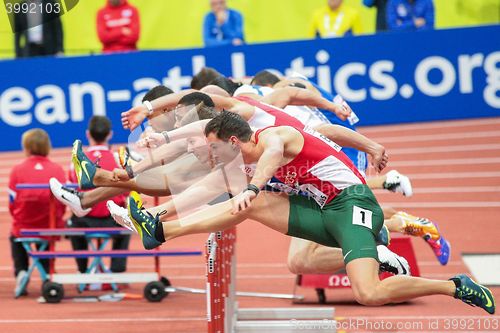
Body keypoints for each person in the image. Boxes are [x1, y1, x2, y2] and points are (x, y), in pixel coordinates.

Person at [125, 112, 495, 314]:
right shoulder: (239, 160)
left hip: (353, 205)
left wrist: (253, 188)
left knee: (368, 292)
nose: (211, 154)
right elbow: (209, 188)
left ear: (234, 141)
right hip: (321, 210)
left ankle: (455, 286)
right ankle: (159, 230)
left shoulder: (275, 136)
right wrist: (163, 208)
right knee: (248, 208)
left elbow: (271, 155)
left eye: (214, 147)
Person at [64, 115, 130, 274]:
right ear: (110, 134)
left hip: (84, 221)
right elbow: (128, 190)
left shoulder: (77, 161)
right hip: (113, 220)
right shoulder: (119, 160)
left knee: (73, 223)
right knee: (126, 219)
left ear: (88, 134)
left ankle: (83, 269)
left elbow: (69, 193)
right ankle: (117, 269)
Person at [8, 129, 66, 296]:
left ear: (26, 147)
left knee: (15, 235)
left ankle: (21, 271)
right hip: (50, 226)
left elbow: (12, 203)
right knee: (47, 235)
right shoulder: (57, 169)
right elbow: (64, 200)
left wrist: (20, 217)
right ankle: (47, 273)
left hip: (24, 227)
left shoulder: (17, 170)